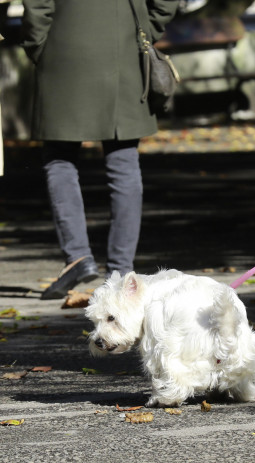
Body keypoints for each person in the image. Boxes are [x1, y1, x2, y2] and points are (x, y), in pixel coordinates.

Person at [21, 0, 180, 299]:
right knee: (123, 162)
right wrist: (144, 28)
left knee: (59, 158)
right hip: (126, 51)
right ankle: (120, 273)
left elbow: (37, 6)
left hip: (62, 49)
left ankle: (78, 258)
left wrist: (39, 45)